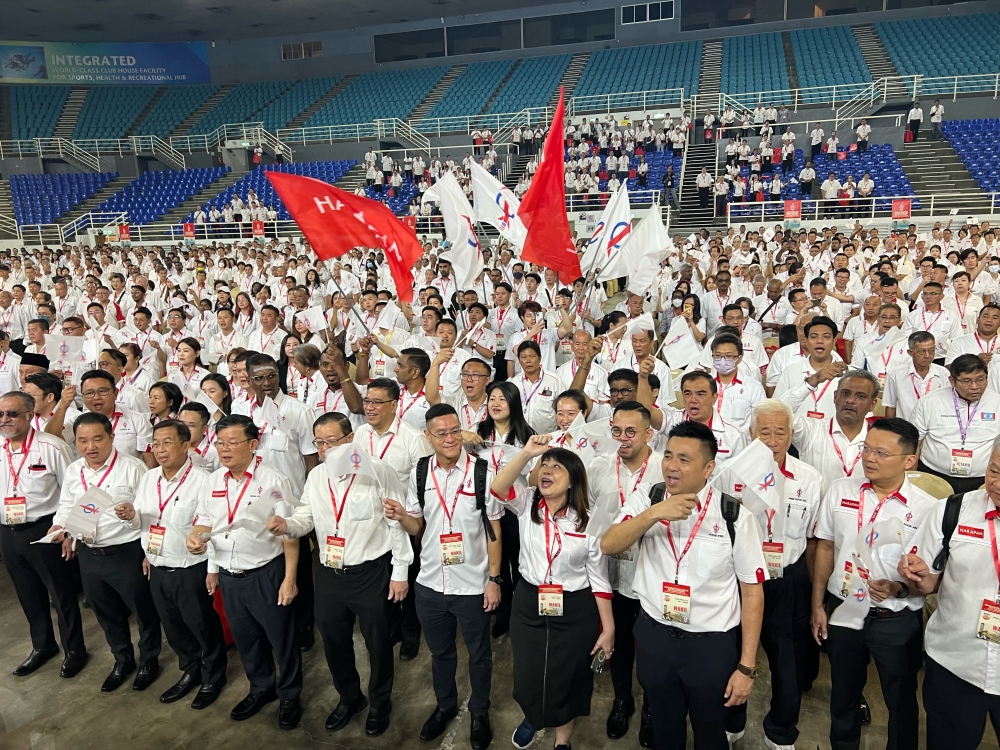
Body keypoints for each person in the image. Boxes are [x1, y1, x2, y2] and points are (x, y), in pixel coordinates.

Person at [601, 421, 767, 749]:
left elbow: (752, 592)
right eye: (668, 456)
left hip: (709, 644)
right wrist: (654, 513)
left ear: (709, 468)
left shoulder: (733, 516)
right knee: (664, 727)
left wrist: (746, 667)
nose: (672, 466)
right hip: (655, 636)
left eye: (684, 459)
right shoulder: (647, 498)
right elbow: (610, 543)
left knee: (710, 729)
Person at [273, 412, 411, 737]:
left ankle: (379, 702)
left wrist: (401, 571)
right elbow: (305, 517)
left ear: (349, 440)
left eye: (330, 441)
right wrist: (288, 525)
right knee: (333, 641)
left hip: (372, 573)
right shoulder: (317, 477)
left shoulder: (377, 472)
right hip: (330, 574)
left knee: (378, 643)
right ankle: (350, 697)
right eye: (318, 443)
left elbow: (396, 524)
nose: (323, 449)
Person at [811, 418, 937, 750]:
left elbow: (932, 578)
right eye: (867, 448)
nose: (869, 457)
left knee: (900, 701)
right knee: (843, 696)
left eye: (881, 452)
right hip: (844, 611)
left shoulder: (927, 509)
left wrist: (900, 588)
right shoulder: (841, 489)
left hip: (894, 620)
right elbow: (825, 546)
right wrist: (817, 605)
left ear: (909, 460)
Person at [383, 403, 502, 750]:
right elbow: (418, 526)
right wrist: (401, 516)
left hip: (473, 584)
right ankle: (445, 704)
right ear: (428, 437)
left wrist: (494, 579)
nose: (450, 439)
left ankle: (480, 711)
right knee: (440, 653)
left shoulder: (483, 472)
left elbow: (494, 527)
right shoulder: (421, 472)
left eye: (454, 431)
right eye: (441, 433)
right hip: (431, 583)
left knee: (479, 654)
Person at [491, 437, 614, 750]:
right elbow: (498, 487)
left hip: (574, 606)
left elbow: (598, 577)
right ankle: (533, 716)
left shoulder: (589, 518)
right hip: (529, 600)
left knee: (567, 676)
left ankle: (562, 741)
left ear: (573, 478)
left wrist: (608, 627)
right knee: (529, 670)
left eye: (557, 467)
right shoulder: (527, 501)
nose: (547, 470)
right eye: (544, 465)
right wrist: (528, 453)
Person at [186, 415, 302, 730]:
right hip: (229, 575)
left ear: (252, 444)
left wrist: (290, 580)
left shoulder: (274, 480)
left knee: (282, 639)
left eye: (233, 442)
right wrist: (197, 541)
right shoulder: (212, 481)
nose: (225, 449)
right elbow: (205, 521)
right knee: (247, 639)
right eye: (220, 442)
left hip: (267, 574)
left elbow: (289, 532)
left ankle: (290, 695)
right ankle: (261, 688)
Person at [112, 419, 227, 708]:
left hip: (191, 567)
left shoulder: (204, 480)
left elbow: (211, 525)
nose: (160, 449)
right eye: (156, 443)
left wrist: (212, 570)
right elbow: (144, 518)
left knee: (201, 624)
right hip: (157, 564)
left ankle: (214, 675)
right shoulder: (149, 478)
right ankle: (190, 669)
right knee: (173, 626)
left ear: (186, 445)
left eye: (167, 442)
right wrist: (131, 516)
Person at [899, 437, 1000, 748]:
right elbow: (928, 583)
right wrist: (918, 576)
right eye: (994, 471)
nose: (998, 484)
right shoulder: (952, 512)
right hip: (955, 661)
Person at [49, 412, 161, 693]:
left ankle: (149, 660)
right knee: (105, 612)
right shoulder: (75, 470)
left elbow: (153, 509)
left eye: (97, 438)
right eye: (83, 441)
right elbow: (67, 504)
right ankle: (122, 659)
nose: (90, 446)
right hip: (89, 553)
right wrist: (61, 526)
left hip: (127, 551)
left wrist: (139, 528)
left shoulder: (133, 468)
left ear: (111, 437)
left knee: (144, 610)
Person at [745, 399, 825, 750]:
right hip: (742, 579)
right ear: (751, 434)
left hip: (789, 578)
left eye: (781, 432)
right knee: (733, 654)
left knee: (787, 663)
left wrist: (813, 594)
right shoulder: (731, 475)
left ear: (791, 434)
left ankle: (780, 732)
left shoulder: (810, 479)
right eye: (765, 432)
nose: (773, 440)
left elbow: (813, 540)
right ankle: (731, 722)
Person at [586, 401, 664, 744]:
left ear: (649, 433)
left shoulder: (665, 469)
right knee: (615, 643)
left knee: (650, 649)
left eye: (631, 431)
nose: (622, 438)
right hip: (611, 575)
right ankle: (622, 700)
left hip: (652, 576)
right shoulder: (599, 467)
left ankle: (650, 707)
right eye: (616, 430)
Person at [0, 391, 85, 679]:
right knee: (27, 593)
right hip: (8, 531)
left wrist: (69, 531)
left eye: (12, 413)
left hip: (45, 528)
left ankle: (75, 649)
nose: (5, 419)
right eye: (1, 414)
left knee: (60, 593)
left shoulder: (51, 446)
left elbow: (72, 493)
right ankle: (43, 646)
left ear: (29, 415)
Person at [353, 376, 432, 660]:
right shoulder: (361, 435)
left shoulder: (412, 439)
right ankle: (393, 627)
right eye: (367, 401)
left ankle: (412, 631)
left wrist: (417, 527)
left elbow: (422, 486)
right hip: (370, 521)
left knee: (408, 579)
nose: (370, 407)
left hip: (404, 519)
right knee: (381, 579)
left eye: (377, 402)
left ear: (394, 405)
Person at [912, 353, 1000, 494]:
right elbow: (914, 442)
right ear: (952, 381)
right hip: (934, 476)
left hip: (981, 481)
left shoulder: (997, 402)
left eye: (980, 379)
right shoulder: (930, 402)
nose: (974, 386)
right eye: (966, 381)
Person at [883, 331, 950, 422]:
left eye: (931, 351)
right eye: (921, 351)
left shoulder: (943, 373)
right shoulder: (895, 374)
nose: (927, 356)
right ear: (911, 352)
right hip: (906, 429)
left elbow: (947, 404)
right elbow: (890, 407)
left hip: (935, 428)